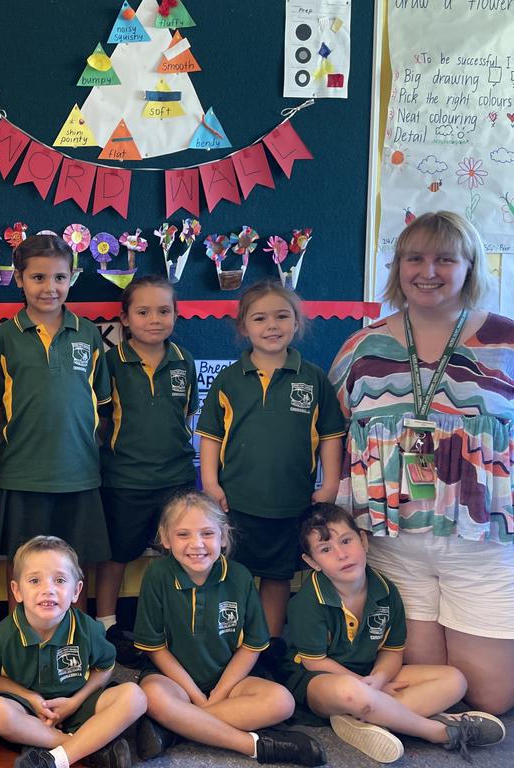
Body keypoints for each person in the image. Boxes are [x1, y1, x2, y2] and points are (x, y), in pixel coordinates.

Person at [330, 211, 514, 715]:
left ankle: (370, 710)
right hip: (394, 541)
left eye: (444, 259)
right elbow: (333, 439)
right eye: (415, 257)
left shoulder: (506, 341)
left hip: (482, 542)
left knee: (490, 699)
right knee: (435, 688)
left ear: (469, 267)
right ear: (398, 266)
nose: (427, 270)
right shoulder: (361, 348)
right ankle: (377, 713)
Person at [283, 502, 505, 763]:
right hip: (322, 681)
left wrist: (379, 678)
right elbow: (314, 661)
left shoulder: (386, 590)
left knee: (455, 680)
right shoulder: (308, 601)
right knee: (352, 693)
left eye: (346, 541)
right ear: (312, 562)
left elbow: (392, 650)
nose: (341, 554)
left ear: (363, 541)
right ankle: (437, 731)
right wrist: (368, 686)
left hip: (370, 676)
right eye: (325, 549)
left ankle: (369, 719)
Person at [197, 281, 344, 670]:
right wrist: (211, 485)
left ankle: (271, 647)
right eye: (259, 318)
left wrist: (329, 484)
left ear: (297, 323)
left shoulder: (313, 379)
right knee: (235, 577)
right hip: (237, 502)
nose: (271, 325)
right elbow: (210, 436)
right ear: (243, 327)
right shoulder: (229, 379)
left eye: (282, 316)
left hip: (291, 502)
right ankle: (234, 644)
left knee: (278, 578)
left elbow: (330, 436)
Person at [133, 491, 327, 765]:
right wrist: (197, 697)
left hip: (229, 680)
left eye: (207, 533)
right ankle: (255, 746)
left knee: (282, 701)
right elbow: (156, 649)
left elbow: (251, 646)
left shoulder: (239, 576)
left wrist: (218, 694)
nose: (196, 544)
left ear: (223, 537)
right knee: (150, 698)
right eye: (183, 534)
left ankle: (174, 730)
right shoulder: (157, 576)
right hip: (174, 681)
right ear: (165, 538)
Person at [0, 234, 112, 605]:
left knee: (74, 566)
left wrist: (79, 449)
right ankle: (19, 646)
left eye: (59, 278)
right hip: (23, 474)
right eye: (38, 278)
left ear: (71, 278)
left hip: (79, 474)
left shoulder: (87, 334)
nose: (50, 287)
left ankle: (76, 643)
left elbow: (101, 407)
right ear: (20, 279)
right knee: (25, 568)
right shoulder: (5, 338)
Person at [96, 275, 198, 663]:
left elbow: (185, 415)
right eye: (143, 311)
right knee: (116, 554)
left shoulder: (184, 361)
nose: (154, 319)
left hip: (176, 479)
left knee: (184, 554)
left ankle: (182, 624)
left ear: (175, 314)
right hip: (125, 479)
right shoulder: (111, 362)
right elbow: (102, 421)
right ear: (124, 318)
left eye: (164, 310)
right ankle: (106, 626)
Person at [0, 535, 147, 768]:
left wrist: (75, 702)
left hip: (79, 705)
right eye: (35, 581)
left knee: (135, 696)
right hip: (30, 711)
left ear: (76, 590)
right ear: (17, 591)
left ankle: (54, 757)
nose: (48, 590)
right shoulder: (1, 635)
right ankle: (87, 748)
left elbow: (105, 666)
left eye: (59, 580)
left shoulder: (88, 628)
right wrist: (31, 698)